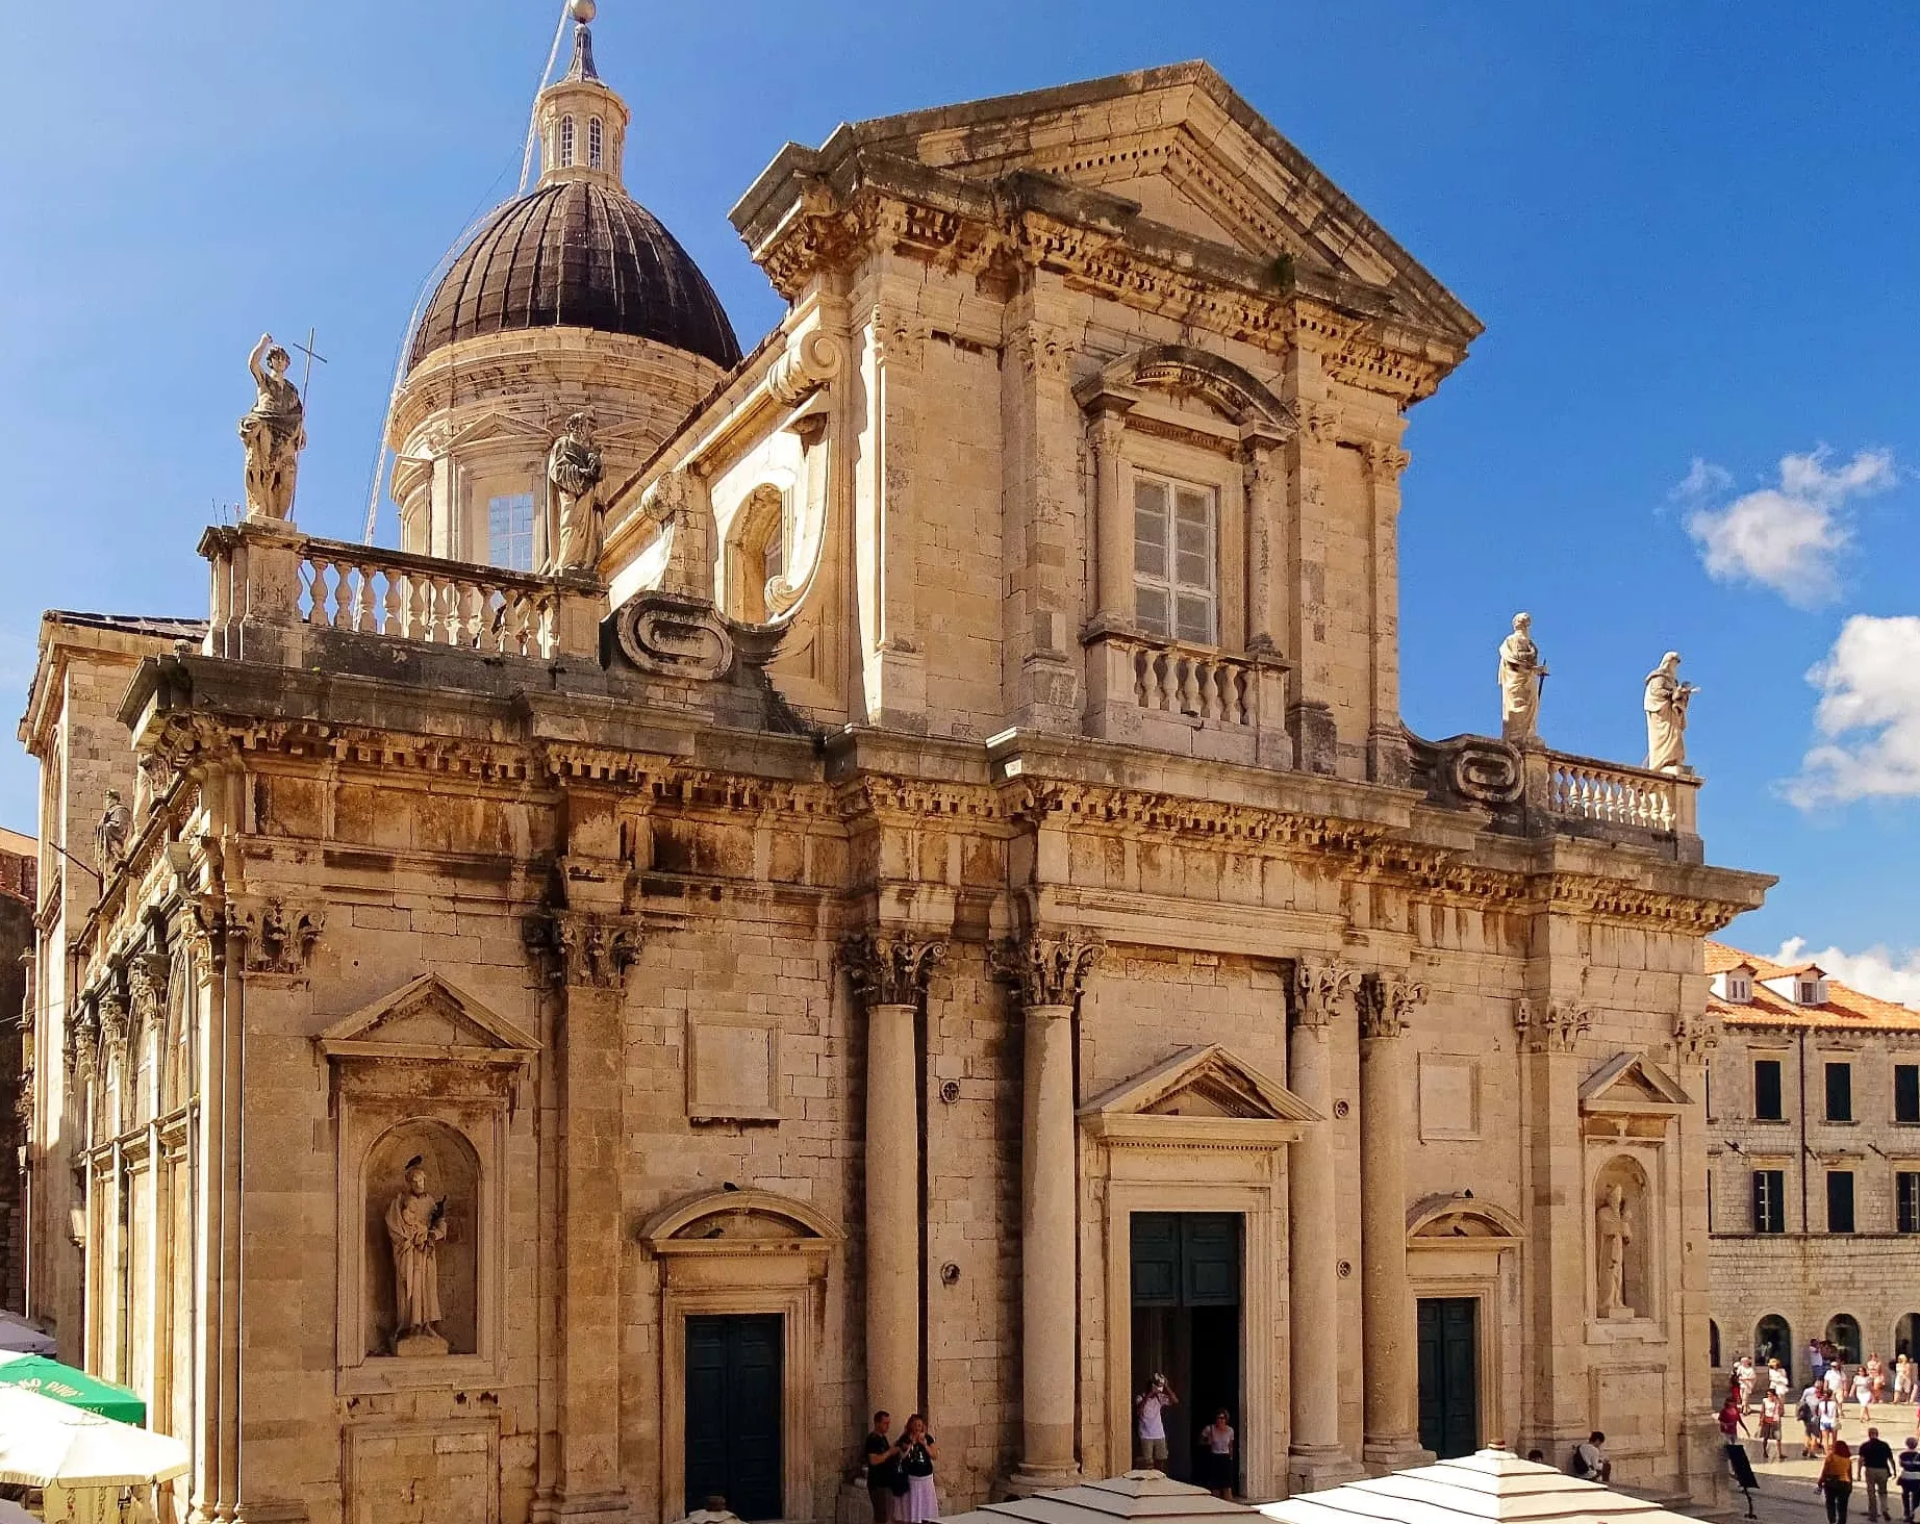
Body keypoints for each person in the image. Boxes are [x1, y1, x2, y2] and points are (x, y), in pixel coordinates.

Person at [896, 1414, 938, 1523]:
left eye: (919, 1425)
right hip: (912, 1479)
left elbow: (935, 1455)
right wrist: (911, 1444)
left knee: (926, 1508)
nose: (917, 1427)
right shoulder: (904, 1439)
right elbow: (900, 1456)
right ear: (910, 1425)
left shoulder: (927, 1438)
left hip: (926, 1479)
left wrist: (924, 1445)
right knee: (912, 1509)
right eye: (915, 1424)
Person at [863, 1411, 901, 1524]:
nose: (888, 1426)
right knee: (881, 1517)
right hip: (878, 1485)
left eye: (889, 1423)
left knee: (885, 1516)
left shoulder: (882, 1438)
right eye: (885, 1423)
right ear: (877, 1423)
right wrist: (890, 1452)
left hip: (886, 1484)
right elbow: (874, 1460)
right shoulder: (872, 1439)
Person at [1135, 1374, 1178, 1469]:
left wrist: (1166, 1386)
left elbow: (1175, 1400)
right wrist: (1149, 1394)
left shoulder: (1159, 1397)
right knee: (1148, 1461)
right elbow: (1139, 1412)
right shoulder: (1140, 1398)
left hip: (1159, 1433)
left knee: (1161, 1459)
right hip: (1146, 1434)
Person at [1198, 1409, 1236, 1500]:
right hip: (1215, 1457)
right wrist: (1207, 1442)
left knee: (1227, 1485)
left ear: (1226, 1419)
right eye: (1218, 1418)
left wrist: (1231, 1458)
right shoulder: (1210, 1429)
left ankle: (1229, 1506)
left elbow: (1231, 1445)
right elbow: (1200, 1441)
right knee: (1215, 1486)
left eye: (1222, 1418)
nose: (1220, 1420)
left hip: (1225, 1457)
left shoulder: (1230, 1430)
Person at [1861, 1428, 1896, 1521]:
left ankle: (1873, 1514)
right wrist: (1894, 1471)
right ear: (1877, 1434)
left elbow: (1861, 1460)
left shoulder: (1865, 1445)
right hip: (1883, 1470)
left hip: (1870, 1470)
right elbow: (1891, 1459)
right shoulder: (1884, 1445)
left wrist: (1858, 1473)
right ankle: (1884, 1509)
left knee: (1871, 1493)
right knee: (1883, 1492)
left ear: (1869, 1435)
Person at [1821, 1441, 1856, 1524]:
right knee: (1843, 1506)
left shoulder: (1831, 1457)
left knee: (1830, 1502)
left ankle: (1832, 1519)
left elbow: (1825, 1470)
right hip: (1844, 1483)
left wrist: (1821, 1480)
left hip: (1831, 1482)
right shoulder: (1847, 1460)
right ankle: (1842, 1521)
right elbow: (1849, 1474)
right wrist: (1850, 1485)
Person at [1896, 1436, 1920, 1523]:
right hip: (1917, 1478)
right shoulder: (1919, 1455)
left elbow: (1901, 1465)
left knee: (1905, 1495)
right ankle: (1913, 1515)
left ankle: (1906, 1514)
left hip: (1905, 1478)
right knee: (1916, 1497)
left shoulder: (1902, 1455)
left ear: (1907, 1444)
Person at [1759, 1386, 1785, 1461]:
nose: (1769, 1396)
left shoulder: (1778, 1401)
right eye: (1768, 1395)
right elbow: (1762, 1410)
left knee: (1778, 1437)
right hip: (1767, 1420)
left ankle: (1780, 1453)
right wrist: (1761, 1420)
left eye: (1770, 1395)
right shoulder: (1765, 1401)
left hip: (1775, 1420)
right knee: (1765, 1436)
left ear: (1774, 1395)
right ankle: (1764, 1451)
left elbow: (1781, 1411)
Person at [1802, 1383, 1826, 1458]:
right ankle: (1812, 1452)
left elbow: (1801, 1402)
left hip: (1807, 1419)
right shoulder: (1820, 1400)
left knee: (1807, 1434)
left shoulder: (1808, 1398)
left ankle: (1806, 1448)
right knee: (1815, 1436)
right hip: (1816, 1420)